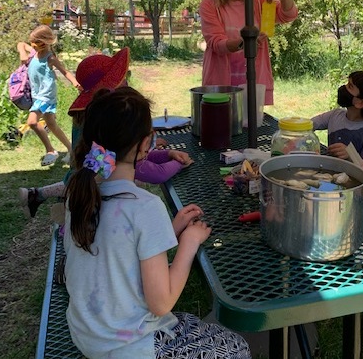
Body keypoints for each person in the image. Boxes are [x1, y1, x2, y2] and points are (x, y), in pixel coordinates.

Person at [63, 86, 251, 358]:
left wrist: (168, 231)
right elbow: (161, 302)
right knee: (237, 348)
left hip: (89, 334)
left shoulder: (80, 193)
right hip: (130, 348)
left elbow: (116, 247)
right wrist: (188, 242)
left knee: (194, 325)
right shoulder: (145, 207)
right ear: (144, 145)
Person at [19, 48, 193, 218]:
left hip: (82, 182)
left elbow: (136, 157)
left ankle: (41, 197)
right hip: (97, 200)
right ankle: (42, 198)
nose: (125, 81)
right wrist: (179, 163)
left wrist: (168, 154)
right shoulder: (114, 141)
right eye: (121, 79)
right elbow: (155, 172)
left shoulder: (94, 119)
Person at [199, 0, 298, 105]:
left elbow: (289, 15)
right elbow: (216, 44)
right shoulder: (209, 4)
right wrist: (245, 42)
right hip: (220, 84)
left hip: (254, 82)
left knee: (252, 127)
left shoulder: (258, 1)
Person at [18, 25, 82, 166]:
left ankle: (51, 150)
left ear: (45, 42)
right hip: (37, 95)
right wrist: (22, 52)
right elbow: (20, 44)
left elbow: (65, 72)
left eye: (35, 42)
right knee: (51, 125)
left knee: (32, 122)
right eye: (31, 42)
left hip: (46, 96)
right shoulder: (34, 52)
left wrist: (76, 84)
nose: (32, 45)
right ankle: (71, 149)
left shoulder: (50, 58)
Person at [311, 71, 363, 161]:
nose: (344, 88)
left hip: (352, 175)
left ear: (360, 103)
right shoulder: (334, 115)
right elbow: (309, 124)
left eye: (350, 86)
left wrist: (350, 155)